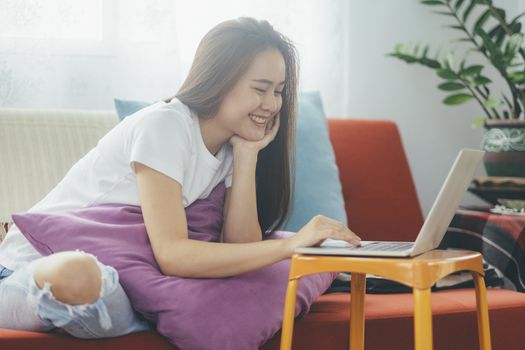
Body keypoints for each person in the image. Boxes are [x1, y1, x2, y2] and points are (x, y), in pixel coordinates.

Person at [0, 17, 360, 339]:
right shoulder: (166, 125)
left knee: (121, 294)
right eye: (260, 88)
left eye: (279, 91)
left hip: (120, 278)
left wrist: (247, 157)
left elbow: (238, 249)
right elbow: (173, 256)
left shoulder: (229, 147)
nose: (272, 104)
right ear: (221, 80)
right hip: (33, 265)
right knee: (80, 274)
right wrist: (291, 244)